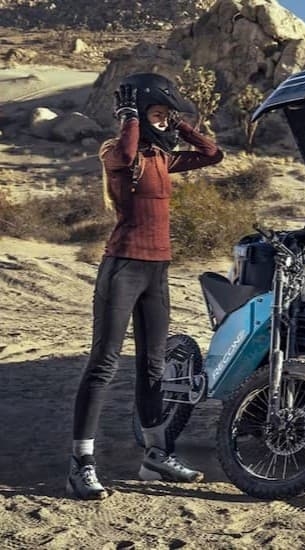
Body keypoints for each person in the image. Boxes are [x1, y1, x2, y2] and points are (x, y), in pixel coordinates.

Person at [67, 73, 224, 500]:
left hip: (157, 270)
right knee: (103, 362)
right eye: (156, 113)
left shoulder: (163, 158)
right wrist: (132, 116)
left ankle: (156, 456)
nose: (162, 121)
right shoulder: (117, 153)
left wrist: (182, 126)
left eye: (164, 115)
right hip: (123, 266)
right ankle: (80, 463)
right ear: (135, 115)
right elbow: (127, 148)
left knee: (153, 366)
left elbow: (213, 154)